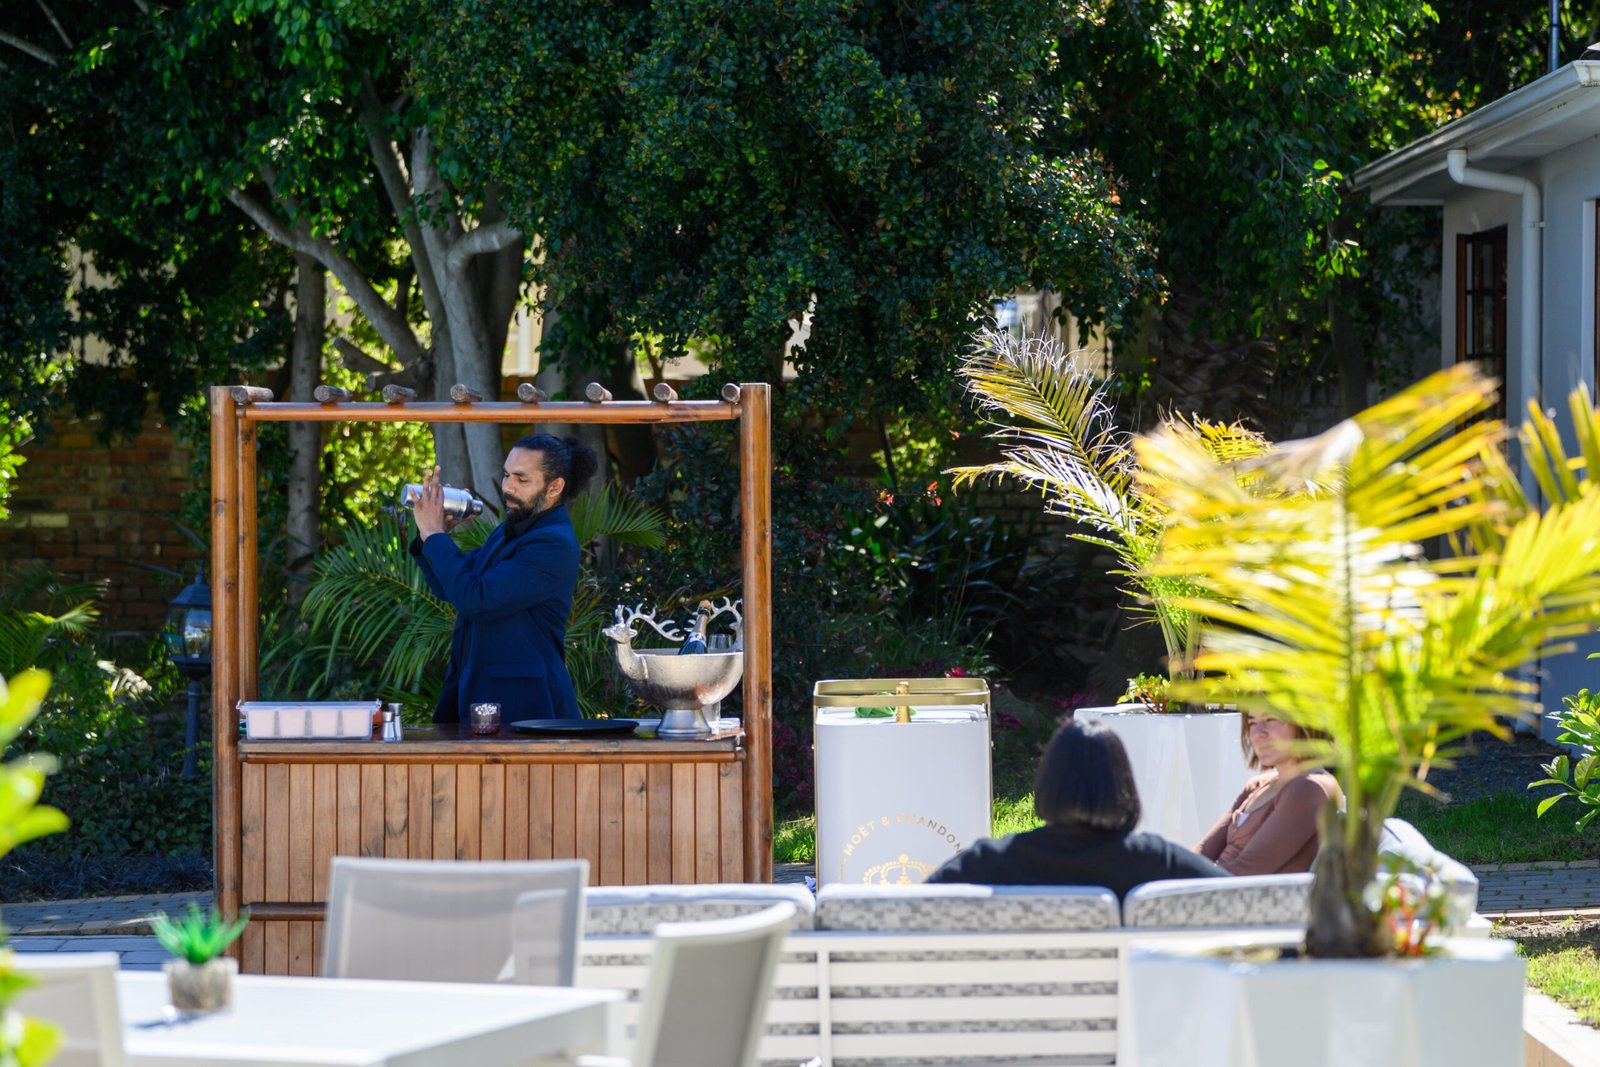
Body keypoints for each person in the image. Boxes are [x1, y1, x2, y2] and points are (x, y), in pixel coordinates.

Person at [409, 433, 598, 726]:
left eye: (522, 480)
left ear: (555, 487)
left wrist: (434, 536)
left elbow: (475, 599)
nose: (508, 487)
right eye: (507, 475)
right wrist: (430, 538)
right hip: (478, 698)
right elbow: (455, 587)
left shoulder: (553, 542)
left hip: (525, 706)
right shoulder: (513, 527)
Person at [925, 719, 1226, 899]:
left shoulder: (987, 862)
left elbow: (907, 908)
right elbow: (1249, 901)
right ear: (1123, 784)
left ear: (1048, 783)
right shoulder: (1160, 862)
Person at [1195, 712, 1343, 875]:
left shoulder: (1310, 787)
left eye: (1270, 719)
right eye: (1252, 723)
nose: (1258, 734)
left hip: (1236, 894)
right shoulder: (1256, 785)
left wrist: (1181, 883)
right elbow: (1202, 851)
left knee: (1162, 853)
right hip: (1210, 887)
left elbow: (1246, 870)